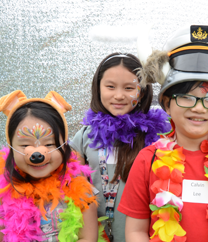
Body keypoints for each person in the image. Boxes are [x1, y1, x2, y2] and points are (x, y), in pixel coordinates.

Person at [118, 25, 208, 242]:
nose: (198, 108)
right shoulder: (148, 159)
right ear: (166, 104)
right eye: (186, 97)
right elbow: (136, 230)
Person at [70, 53, 171, 242]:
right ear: (97, 88)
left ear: (142, 91)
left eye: (129, 88)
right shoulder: (84, 136)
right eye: (110, 86)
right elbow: (70, 186)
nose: (118, 95)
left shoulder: (158, 136)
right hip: (96, 234)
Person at [0, 90, 99, 242]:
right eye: (25, 144)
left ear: (64, 146)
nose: (37, 154)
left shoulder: (81, 193)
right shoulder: (1, 200)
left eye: (49, 144)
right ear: (11, 147)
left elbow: (88, 238)